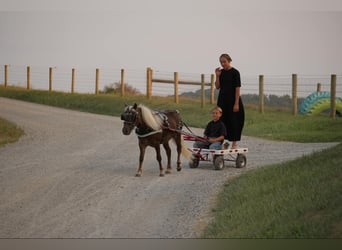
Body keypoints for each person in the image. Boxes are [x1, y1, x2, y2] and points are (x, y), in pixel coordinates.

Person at [215, 53, 245, 149]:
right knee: (221, 121)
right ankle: (221, 143)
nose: (223, 64)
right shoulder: (221, 72)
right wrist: (217, 76)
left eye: (224, 62)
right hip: (222, 100)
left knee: (234, 121)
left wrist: (236, 103)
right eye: (221, 62)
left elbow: (237, 89)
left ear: (229, 61)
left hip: (233, 100)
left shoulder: (235, 72)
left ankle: (234, 143)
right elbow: (217, 87)